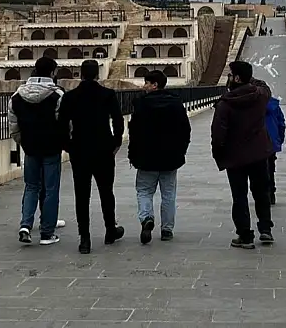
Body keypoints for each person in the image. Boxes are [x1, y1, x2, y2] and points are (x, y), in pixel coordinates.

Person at [58, 59, 125, 254]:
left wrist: (68, 146)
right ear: (97, 74)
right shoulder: (107, 94)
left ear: (80, 74)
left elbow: (62, 124)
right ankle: (110, 229)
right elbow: (118, 120)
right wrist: (117, 141)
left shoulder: (70, 97)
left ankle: (84, 238)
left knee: (82, 195)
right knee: (106, 191)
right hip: (103, 149)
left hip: (79, 149)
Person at [211, 61, 275, 249]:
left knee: (239, 196)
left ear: (237, 78)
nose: (228, 78)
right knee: (261, 193)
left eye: (230, 75)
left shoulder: (225, 104)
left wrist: (219, 154)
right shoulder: (260, 96)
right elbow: (265, 87)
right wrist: (248, 79)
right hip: (258, 153)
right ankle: (265, 229)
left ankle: (245, 235)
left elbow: (218, 134)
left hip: (235, 157)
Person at [128, 70, 191, 244]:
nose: (144, 86)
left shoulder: (141, 104)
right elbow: (185, 129)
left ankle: (147, 218)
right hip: (170, 157)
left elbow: (134, 131)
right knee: (168, 194)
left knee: (144, 191)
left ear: (155, 85)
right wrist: (181, 151)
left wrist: (133, 154)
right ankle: (167, 229)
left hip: (146, 157)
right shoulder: (175, 103)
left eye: (147, 83)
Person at [8, 57, 65, 246]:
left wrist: (22, 141)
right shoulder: (57, 95)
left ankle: (25, 225)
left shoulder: (17, 95)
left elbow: (13, 125)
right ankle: (47, 232)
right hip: (51, 147)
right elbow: (64, 123)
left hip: (30, 147)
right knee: (50, 189)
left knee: (31, 186)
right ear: (52, 73)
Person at [264, 95, 286, 205]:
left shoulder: (252, 104)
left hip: (256, 142)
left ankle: (262, 194)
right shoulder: (274, 105)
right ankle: (271, 192)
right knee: (270, 168)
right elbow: (281, 123)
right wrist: (279, 139)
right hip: (271, 141)